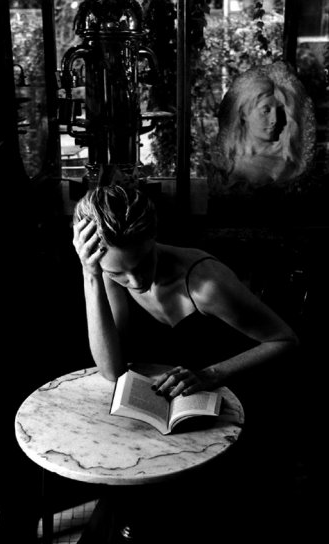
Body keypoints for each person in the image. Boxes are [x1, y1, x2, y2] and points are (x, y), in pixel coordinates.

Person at [72, 183, 300, 541]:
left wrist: (211, 373)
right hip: (172, 422)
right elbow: (111, 370)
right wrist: (92, 276)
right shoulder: (113, 274)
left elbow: (286, 340)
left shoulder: (206, 282)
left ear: (154, 235)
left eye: (142, 262)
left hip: (238, 414)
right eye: (118, 273)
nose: (136, 280)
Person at [209, 61, 315, 194]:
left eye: (280, 111)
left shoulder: (290, 160)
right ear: (243, 113)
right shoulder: (229, 162)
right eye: (265, 111)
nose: (274, 120)